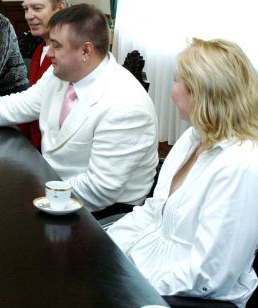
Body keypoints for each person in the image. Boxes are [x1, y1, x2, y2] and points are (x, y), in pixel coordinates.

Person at [0, 4, 158, 215]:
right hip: (53, 192)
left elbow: (99, 191)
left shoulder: (125, 105)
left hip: (100, 216)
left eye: (56, 45)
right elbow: (12, 106)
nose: (48, 52)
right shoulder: (62, 74)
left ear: (86, 51)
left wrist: (26, 194)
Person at [107, 39, 258, 306]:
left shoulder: (240, 166)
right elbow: (154, 211)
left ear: (204, 93)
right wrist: (104, 247)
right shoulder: (193, 137)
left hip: (189, 296)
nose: (172, 91)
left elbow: (208, 277)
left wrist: (131, 283)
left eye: (177, 81)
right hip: (149, 271)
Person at [18, 0, 69, 150]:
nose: (28, 16)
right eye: (26, 9)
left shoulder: (68, 56)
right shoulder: (39, 49)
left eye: (37, 8)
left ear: (60, 9)